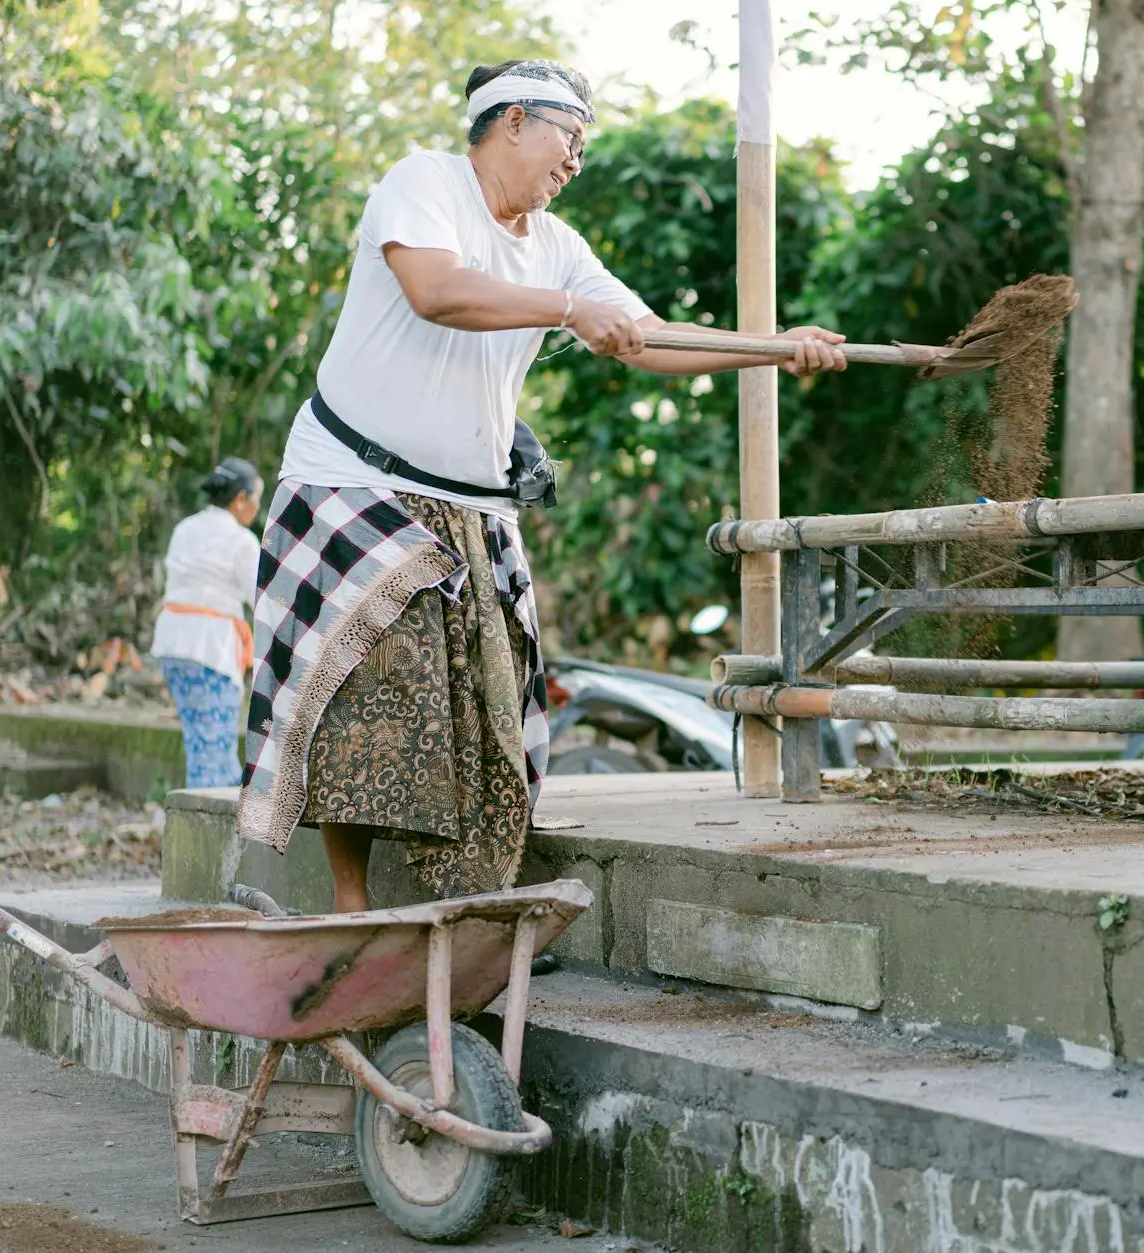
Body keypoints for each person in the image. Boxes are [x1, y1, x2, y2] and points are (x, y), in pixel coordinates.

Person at [235, 59, 847, 913]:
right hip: (355, 490)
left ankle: (449, 917)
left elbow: (651, 339)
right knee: (376, 697)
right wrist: (565, 309)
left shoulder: (558, 248)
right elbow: (436, 291)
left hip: (473, 507)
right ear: (514, 119)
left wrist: (776, 346)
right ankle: (351, 905)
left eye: (584, 151)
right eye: (570, 139)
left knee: (482, 723)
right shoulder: (427, 183)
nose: (574, 164)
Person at [151, 458, 263, 788]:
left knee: (201, 745)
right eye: (256, 497)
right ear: (240, 499)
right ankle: (207, 830)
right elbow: (260, 598)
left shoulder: (185, 527)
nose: (258, 506)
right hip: (209, 649)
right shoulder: (241, 541)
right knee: (215, 752)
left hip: (173, 645)